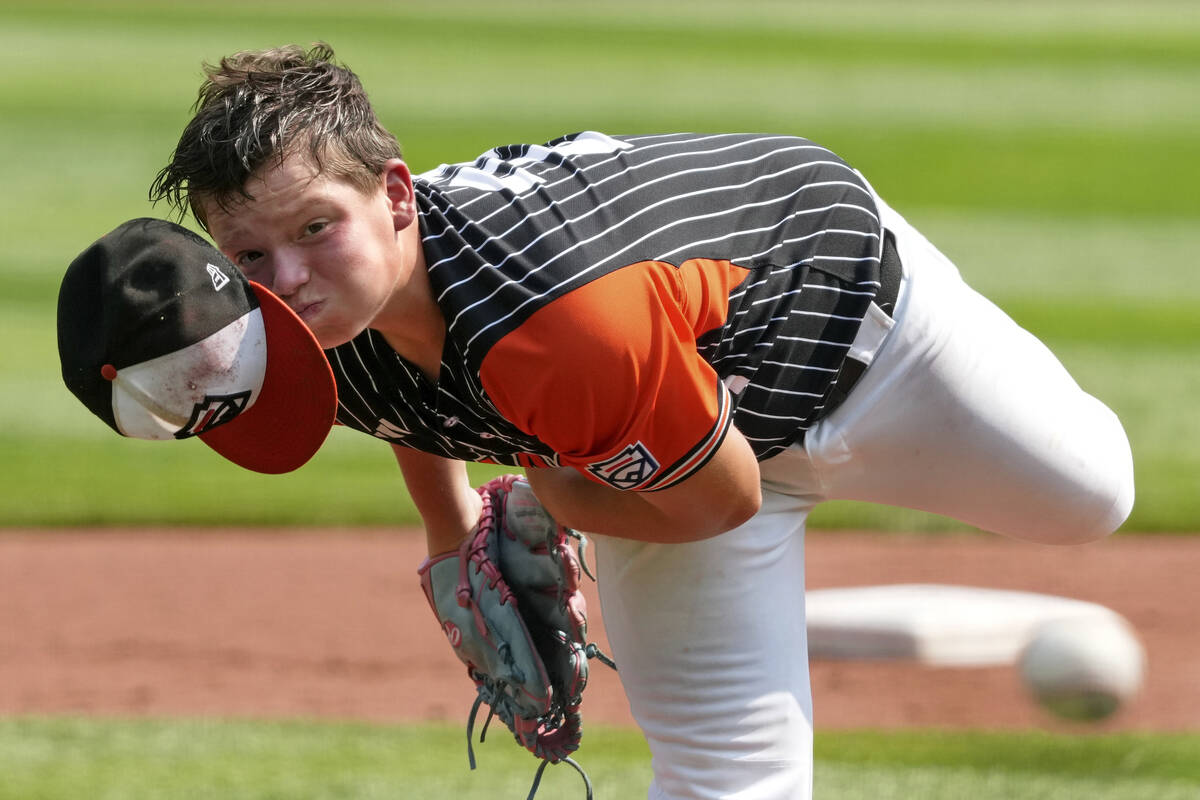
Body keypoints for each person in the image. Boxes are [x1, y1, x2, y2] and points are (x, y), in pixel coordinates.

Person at [148, 43, 1134, 800]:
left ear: (396, 194)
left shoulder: (557, 322)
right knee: (721, 777)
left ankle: (761, 587)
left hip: (861, 334)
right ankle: (755, 605)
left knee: (1093, 494)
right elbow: (413, 399)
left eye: (316, 227)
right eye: (253, 253)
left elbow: (725, 498)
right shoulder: (314, 316)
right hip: (662, 437)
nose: (292, 278)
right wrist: (452, 538)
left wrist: (547, 494)